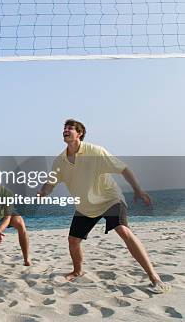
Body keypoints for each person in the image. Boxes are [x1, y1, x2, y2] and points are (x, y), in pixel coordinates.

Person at [38, 119, 170, 293]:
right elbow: (50, 183)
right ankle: (77, 271)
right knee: (73, 241)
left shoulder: (95, 151)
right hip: (85, 206)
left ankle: (155, 278)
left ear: (80, 133)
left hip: (110, 199)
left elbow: (123, 169)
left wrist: (138, 190)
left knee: (123, 231)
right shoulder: (59, 161)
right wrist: (42, 193)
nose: (66, 130)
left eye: (70, 128)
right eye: (64, 128)